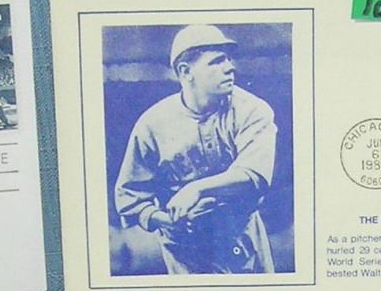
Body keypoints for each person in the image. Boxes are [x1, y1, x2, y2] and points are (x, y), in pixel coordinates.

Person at [114, 24, 279, 274]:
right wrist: (168, 221)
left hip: (242, 237)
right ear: (185, 71)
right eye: (217, 61)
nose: (230, 67)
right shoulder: (152, 124)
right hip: (185, 250)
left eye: (228, 59)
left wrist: (195, 189)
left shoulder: (252, 110)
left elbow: (253, 175)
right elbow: (129, 199)